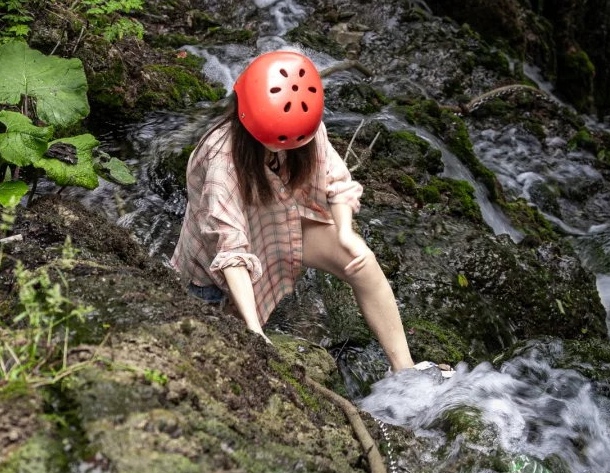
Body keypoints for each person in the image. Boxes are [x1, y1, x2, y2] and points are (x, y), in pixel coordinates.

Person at [172, 50, 444, 377]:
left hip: (277, 224)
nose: (287, 151)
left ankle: (405, 372)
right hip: (214, 268)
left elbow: (337, 183)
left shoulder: (303, 127)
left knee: (362, 262)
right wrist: (254, 330)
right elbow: (229, 250)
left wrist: (345, 232)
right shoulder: (223, 161)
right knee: (220, 353)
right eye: (277, 145)